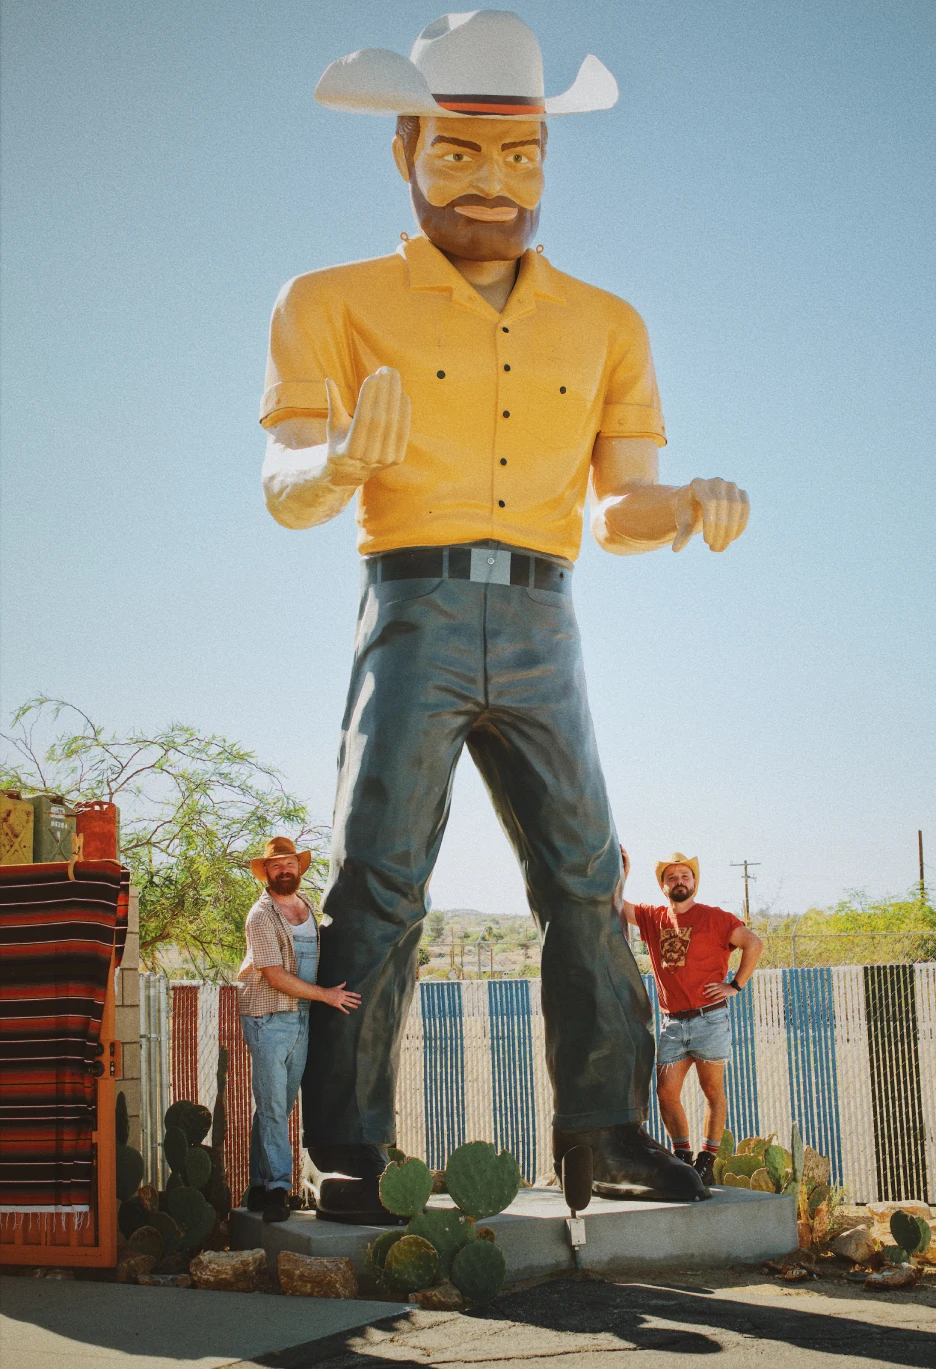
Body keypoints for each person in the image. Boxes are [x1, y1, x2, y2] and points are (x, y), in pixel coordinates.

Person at [260, 10, 751, 1220]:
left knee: (585, 880)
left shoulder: (608, 321)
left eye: (523, 155)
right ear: (405, 149)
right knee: (379, 881)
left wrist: (680, 503)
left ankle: (606, 1124)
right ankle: (352, 1155)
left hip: (546, 616)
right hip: (412, 606)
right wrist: (332, 467)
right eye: (462, 154)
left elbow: (622, 498)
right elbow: (282, 485)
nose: (496, 183)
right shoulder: (327, 299)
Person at [237, 837, 361, 1222]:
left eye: (289, 863)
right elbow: (274, 976)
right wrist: (326, 995)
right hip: (269, 1017)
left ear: (298, 867)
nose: (284, 870)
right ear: (267, 872)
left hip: (302, 1016)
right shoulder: (261, 916)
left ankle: (257, 1186)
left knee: (278, 1106)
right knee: (274, 1108)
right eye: (276, 866)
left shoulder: (306, 907)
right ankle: (277, 1189)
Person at [622, 851, 763, 1185]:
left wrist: (735, 985)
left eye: (685, 876)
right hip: (672, 1023)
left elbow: (753, 943)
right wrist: (624, 873)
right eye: (672, 878)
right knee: (666, 1092)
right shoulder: (652, 917)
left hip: (709, 1019)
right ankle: (682, 1156)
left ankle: (707, 1160)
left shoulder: (715, 918)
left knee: (712, 1091)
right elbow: (617, 906)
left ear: (695, 883)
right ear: (663, 885)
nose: (679, 882)